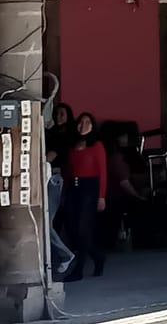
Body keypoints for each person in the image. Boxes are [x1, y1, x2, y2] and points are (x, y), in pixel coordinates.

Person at [61, 112, 107, 281]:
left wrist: (101, 196)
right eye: (81, 122)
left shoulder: (97, 146)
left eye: (88, 122)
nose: (83, 125)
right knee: (72, 228)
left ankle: (78, 269)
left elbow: (102, 172)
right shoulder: (73, 145)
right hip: (74, 187)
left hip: (90, 188)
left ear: (93, 126)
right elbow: (69, 170)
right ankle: (97, 255)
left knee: (83, 228)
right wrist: (65, 191)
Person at [45, 103, 76, 276]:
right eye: (56, 114)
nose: (58, 117)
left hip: (54, 178)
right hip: (53, 178)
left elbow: (51, 156)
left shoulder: (64, 135)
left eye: (62, 114)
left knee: (45, 222)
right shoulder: (56, 132)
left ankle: (66, 255)